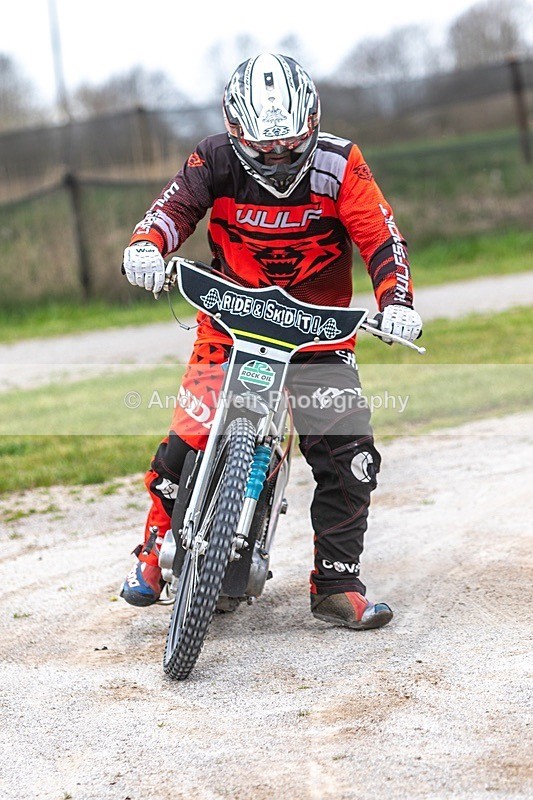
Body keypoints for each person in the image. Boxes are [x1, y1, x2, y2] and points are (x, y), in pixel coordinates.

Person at [120, 53, 422, 630]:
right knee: (185, 442)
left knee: (350, 457)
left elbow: (380, 235)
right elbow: (173, 208)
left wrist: (397, 302)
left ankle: (336, 582)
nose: (279, 156)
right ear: (237, 133)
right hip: (229, 317)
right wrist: (147, 246)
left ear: (311, 122)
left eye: (291, 143)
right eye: (264, 147)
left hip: (316, 331)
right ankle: (153, 555)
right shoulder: (212, 157)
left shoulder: (340, 163)